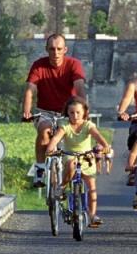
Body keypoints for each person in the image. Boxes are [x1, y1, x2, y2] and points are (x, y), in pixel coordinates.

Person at [23, 34, 87, 188]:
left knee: (70, 149)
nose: (55, 53)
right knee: (44, 132)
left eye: (59, 49)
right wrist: (26, 111)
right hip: (45, 111)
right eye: (52, 49)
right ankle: (40, 169)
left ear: (65, 50)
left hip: (68, 113)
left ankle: (66, 182)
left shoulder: (73, 64)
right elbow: (30, 90)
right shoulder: (39, 65)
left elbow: (79, 87)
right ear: (46, 49)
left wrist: (84, 109)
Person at [46, 97, 111, 228]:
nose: (75, 116)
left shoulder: (88, 125)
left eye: (78, 113)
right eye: (71, 113)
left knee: (92, 187)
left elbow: (99, 137)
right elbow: (56, 139)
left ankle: (92, 215)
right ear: (67, 113)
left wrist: (105, 146)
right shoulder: (65, 125)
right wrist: (50, 148)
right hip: (69, 156)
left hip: (86, 157)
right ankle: (62, 187)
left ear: (84, 113)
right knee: (70, 164)